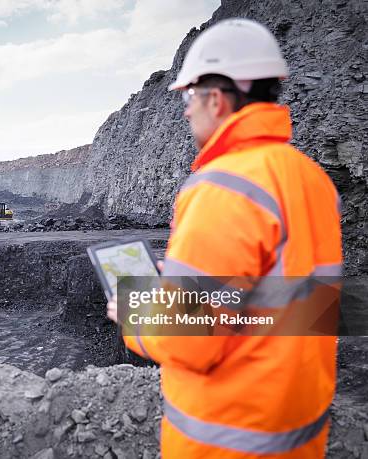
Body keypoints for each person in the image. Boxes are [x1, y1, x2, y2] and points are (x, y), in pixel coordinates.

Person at [106, 18, 342, 458]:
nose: (185, 109)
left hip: (228, 438)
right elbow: (280, 301)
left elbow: (190, 340)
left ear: (216, 98)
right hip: (296, 432)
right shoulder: (310, 179)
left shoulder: (225, 187)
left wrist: (134, 316)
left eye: (190, 95)